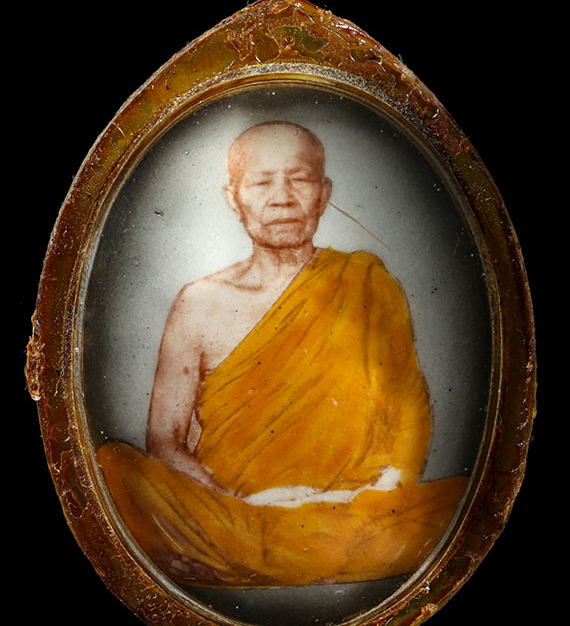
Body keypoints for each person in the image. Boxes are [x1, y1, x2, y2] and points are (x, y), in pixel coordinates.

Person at [99, 121, 467, 587]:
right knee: (113, 469)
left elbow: (407, 414)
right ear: (233, 197)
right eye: (261, 182)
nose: (282, 198)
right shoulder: (199, 302)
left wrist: (363, 499)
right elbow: (165, 442)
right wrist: (240, 503)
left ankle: (252, 556)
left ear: (324, 193)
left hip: (347, 509)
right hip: (233, 508)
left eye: (299, 179)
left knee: (463, 500)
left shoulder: (367, 283)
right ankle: (288, 550)